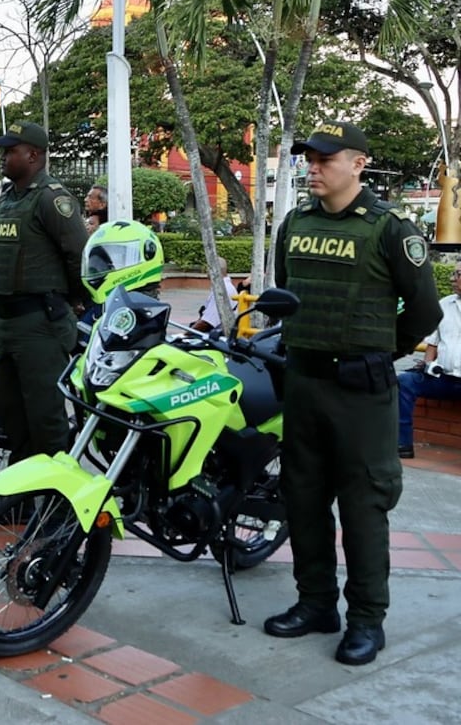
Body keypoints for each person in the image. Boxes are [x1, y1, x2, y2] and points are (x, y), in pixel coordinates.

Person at [266, 120, 441, 667]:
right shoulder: (294, 223)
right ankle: (315, 603)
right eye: (309, 159)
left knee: (363, 508)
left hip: (361, 391)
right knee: (304, 500)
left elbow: (425, 310)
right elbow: (286, 293)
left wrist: (378, 353)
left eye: (324, 159)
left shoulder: (390, 227)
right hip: (305, 381)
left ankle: (367, 620)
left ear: (358, 164)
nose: (312, 167)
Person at [0, 120, 89, 464]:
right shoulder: (9, 198)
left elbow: (78, 256)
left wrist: (74, 302)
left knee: (46, 419)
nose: (4, 157)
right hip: (6, 323)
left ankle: (56, 500)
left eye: (11, 151)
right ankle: (25, 498)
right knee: (12, 416)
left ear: (33, 155)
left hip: (39, 324)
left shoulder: (51, 198)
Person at [396, 263, 461, 459]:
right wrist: (429, 364)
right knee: (405, 381)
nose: (452, 278)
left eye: (457, 273)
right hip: (443, 378)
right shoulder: (444, 304)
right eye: (453, 273)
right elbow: (432, 344)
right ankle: (403, 444)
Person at [190, 255, 237, 334]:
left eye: (208, 268)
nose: (206, 270)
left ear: (214, 270)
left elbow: (206, 322)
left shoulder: (222, 290)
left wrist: (184, 334)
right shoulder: (225, 286)